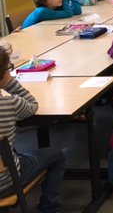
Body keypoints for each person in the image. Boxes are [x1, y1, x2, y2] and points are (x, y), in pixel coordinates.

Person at [0, 45, 65, 212]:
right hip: (6, 182)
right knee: (57, 155)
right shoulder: (11, 104)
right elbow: (32, 104)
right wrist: (9, 82)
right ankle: (49, 208)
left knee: (15, 153)